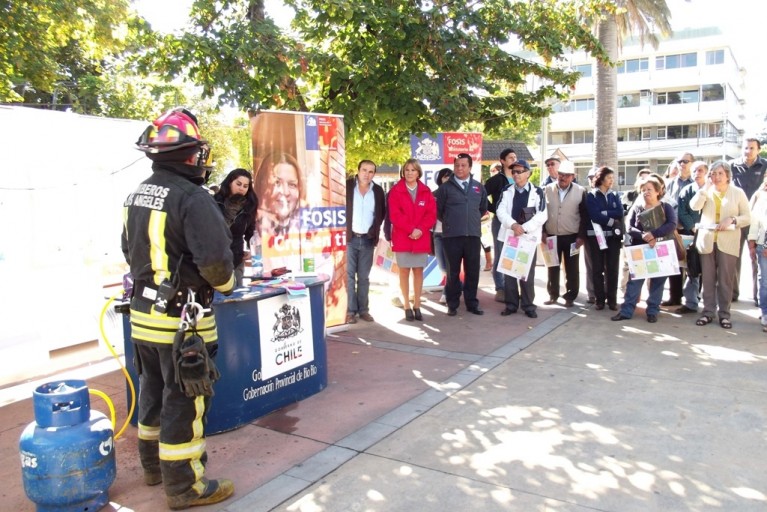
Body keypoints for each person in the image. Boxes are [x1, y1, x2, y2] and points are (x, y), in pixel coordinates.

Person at [122, 108, 236, 509]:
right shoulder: (193, 199)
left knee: (152, 393)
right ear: (189, 155)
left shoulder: (136, 194)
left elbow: (128, 249)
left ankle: (153, 470)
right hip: (184, 325)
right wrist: (227, 285)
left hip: (143, 319)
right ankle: (186, 487)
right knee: (185, 404)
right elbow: (218, 265)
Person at [689, 161, 751, 329]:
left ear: (728, 176)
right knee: (708, 279)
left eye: (720, 174)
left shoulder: (737, 193)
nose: (716, 177)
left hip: (728, 242)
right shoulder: (706, 192)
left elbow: (747, 216)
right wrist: (705, 189)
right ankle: (708, 312)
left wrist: (733, 219)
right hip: (707, 241)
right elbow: (694, 206)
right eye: (713, 174)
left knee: (725, 280)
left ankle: (724, 314)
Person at [612, 174, 677, 323]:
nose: (646, 192)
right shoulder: (637, 208)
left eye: (650, 189)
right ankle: (627, 311)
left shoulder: (666, 207)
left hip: (661, 250)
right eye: (643, 190)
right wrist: (644, 236)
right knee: (634, 282)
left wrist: (653, 235)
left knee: (658, 282)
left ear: (658, 191)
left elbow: (672, 224)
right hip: (640, 250)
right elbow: (629, 227)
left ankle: (652, 311)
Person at [435, 152, 488, 316]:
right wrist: (453, 223)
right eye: (457, 165)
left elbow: (482, 209)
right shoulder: (445, 188)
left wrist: (470, 221)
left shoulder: (478, 187)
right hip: (452, 237)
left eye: (463, 165)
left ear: (470, 167)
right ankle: (452, 304)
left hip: (472, 236)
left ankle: (472, 303)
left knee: (473, 271)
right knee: (453, 272)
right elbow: (439, 212)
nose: (459, 168)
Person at [495, 159, 547, 318]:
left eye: (519, 171)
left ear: (528, 173)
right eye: (513, 171)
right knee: (509, 272)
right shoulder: (506, 190)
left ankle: (528, 306)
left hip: (527, 238)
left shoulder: (538, 192)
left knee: (526, 273)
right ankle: (511, 305)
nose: (515, 174)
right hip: (510, 236)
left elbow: (543, 214)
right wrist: (513, 225)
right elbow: (500, 210)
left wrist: (524, 228)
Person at [388, 158, 437, 321]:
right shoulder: (396, 190)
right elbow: (395, 215)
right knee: (403, 271)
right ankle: (406, 306)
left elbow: (431, 214)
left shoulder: (426, 191)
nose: (409, 173)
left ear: (418, 173)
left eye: (413, 170)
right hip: (403, 236)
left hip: (420, 237)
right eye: (407, 170)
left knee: (418, 271)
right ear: (403, 172)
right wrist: (411, 229)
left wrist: (420, 230)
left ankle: (417, 305)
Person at [542, 160, 588, 307]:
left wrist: (581, 236)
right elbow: (541, 212)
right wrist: (543, 231)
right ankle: (553, 295)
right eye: (561, 174)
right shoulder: (546, 189)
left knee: (572, 268)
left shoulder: (580, 191)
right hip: (551, 235)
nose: (563, 178)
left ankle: (570, 296)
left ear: (573, 177)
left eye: (567, 176)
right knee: (552, 266)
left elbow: (585, 216)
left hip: (572, 236)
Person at [345, 159, 386, 324]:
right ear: (358, 170)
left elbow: (381, 213)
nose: (367, 174)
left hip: (367, 240)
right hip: (349, 238)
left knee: (364, 277)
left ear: (374, 174)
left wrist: (373, 232)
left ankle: (363, 310)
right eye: (364, 170)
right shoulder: (347, 187)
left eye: (371, 171)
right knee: (348, 277)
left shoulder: (377, 191)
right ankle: (349, 311)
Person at [730, 137, 767, 304]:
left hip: (758, 218)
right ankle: (732, 293)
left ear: (758, 149)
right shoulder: (732, 165)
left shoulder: (765, 165)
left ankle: (759, 296)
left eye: (752, 148)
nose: (748, 151)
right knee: (734, 256)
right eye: (745, 148)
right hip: (738, 217)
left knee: (757, 257)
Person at [585, 166, 624, 311]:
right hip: (596, 238)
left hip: (613, 238)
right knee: (597, 269)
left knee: (613, 269)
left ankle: (612, 300)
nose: (611, 180)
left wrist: (605, 212)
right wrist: (612, 221)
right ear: (600, 178)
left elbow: (619, 211)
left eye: (612, 178)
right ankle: (599, 300)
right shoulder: (591, 196)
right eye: (609, 178)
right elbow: (594, 215)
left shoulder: (615, 195)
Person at [213, 169, 258, 287]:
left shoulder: (249, 205)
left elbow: (250, 231)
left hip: (236, 258)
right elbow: (214, 231)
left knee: (236, 296)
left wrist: (252, 248)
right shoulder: (215, 202)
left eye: (245, 186)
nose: (241, 188)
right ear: (229, 182)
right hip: (216, 260)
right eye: (238, 184)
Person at [661, 153, 695, 307]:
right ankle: (675, 297)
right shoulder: (670, 184)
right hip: (673, 230)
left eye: (686, 161)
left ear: (692, 163)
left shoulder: (696, 183)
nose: (682, 164)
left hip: (691, 229)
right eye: (680, 161)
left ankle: (692, 300)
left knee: (693, 265)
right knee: (673, 265)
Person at [675, 161, 708, 314]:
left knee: (710, 271)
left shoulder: (713, 190)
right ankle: (691, 303)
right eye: (694, 170)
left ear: (706, 172)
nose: (697, 173)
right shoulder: (686, 191)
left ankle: (711, 305)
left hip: (710, 235)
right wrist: (694, 228)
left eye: (700, 170)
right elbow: (682, 213)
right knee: (692, 269)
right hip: (692, 235)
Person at [484, 148, 517, 302]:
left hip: (517, 223)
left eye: (515, 157)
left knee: (514, 254)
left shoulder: (520, 178)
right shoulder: (497, 180)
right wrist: (495, 210)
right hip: (500, 222)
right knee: (500, 253)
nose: (514, 160)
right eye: (510, 158)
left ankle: (512, 287)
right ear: (502, 161)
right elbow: (482, 196)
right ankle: (500, 288)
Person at [254, 151, 305, 239]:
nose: (285, 192)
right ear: (262, 186)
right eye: (277, 183)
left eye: (292, 185)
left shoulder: (310, 230)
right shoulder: (249, 229)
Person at [747, 173, 767, 331]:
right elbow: (755, 222)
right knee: (764, 282)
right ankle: (765, 312)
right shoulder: (762, 197)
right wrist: (752, 243)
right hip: (763, 245)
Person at [432, 168, 453, 304]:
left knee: (451, 266)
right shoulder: (433, 194)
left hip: (452, 234)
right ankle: (452, 288)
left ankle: (447, 293)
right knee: (442, 267)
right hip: (438, 234)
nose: (447, 178)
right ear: (440, 179)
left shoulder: (456, 193)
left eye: (450, 176)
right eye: (444, 176)